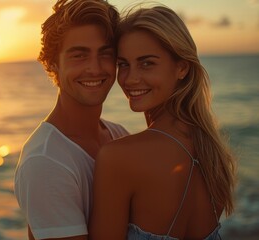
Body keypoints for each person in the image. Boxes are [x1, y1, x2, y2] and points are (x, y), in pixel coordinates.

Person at [89, 4, 237, 240]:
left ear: (182, 67)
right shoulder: (212, 153)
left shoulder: (118, 158)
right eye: (123, 64)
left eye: (147, 63)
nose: (130, 78)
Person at [14, 1, 129, 239]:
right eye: (79, 55)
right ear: (53, 64)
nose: (94, 68)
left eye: (105, 53)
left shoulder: (120, 136)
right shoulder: (45, 161)